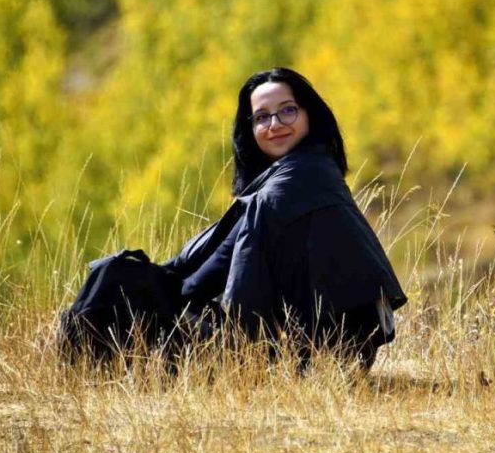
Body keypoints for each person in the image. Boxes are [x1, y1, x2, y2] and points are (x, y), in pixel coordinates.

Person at [166, 68, 407, 368]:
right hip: (339, 349)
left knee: (145, 302)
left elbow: (212, 271)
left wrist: (164, 293)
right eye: (262, 117)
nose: (275, 124)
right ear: (250, 129)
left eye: (287, 111)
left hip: (316, 352)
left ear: (310, 115)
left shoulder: (293, 182)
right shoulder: (315, 168)